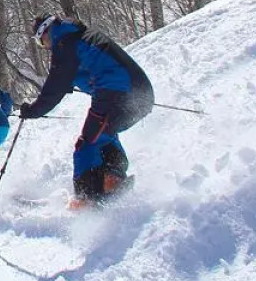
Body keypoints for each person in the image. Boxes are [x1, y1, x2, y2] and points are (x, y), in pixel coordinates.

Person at [19, 13, 155, 206]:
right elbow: (87, 70)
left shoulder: (64, 43)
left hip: (119, 94)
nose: (46, 47)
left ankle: (88, 199)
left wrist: (33, 110)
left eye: (42, 42)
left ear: (47, 32)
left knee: (87, 144)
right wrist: (69, 82)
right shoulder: (80, 37)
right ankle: (111, 180)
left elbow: (54, 87)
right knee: (104, 135)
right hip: (138, 95)